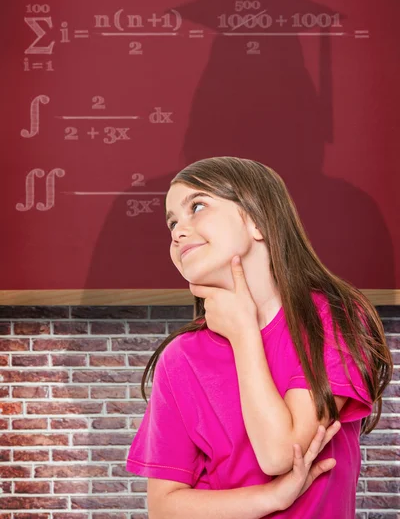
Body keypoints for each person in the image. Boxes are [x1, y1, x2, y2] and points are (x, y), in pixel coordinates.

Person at [126, 156, 393, 518]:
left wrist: (244, 334)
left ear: (257, 221)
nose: (177, 231)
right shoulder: (181, 357)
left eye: (198, 206)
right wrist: (271, 499)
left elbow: (281, 454)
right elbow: (164, 507)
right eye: (172, 222)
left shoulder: (332, 319)